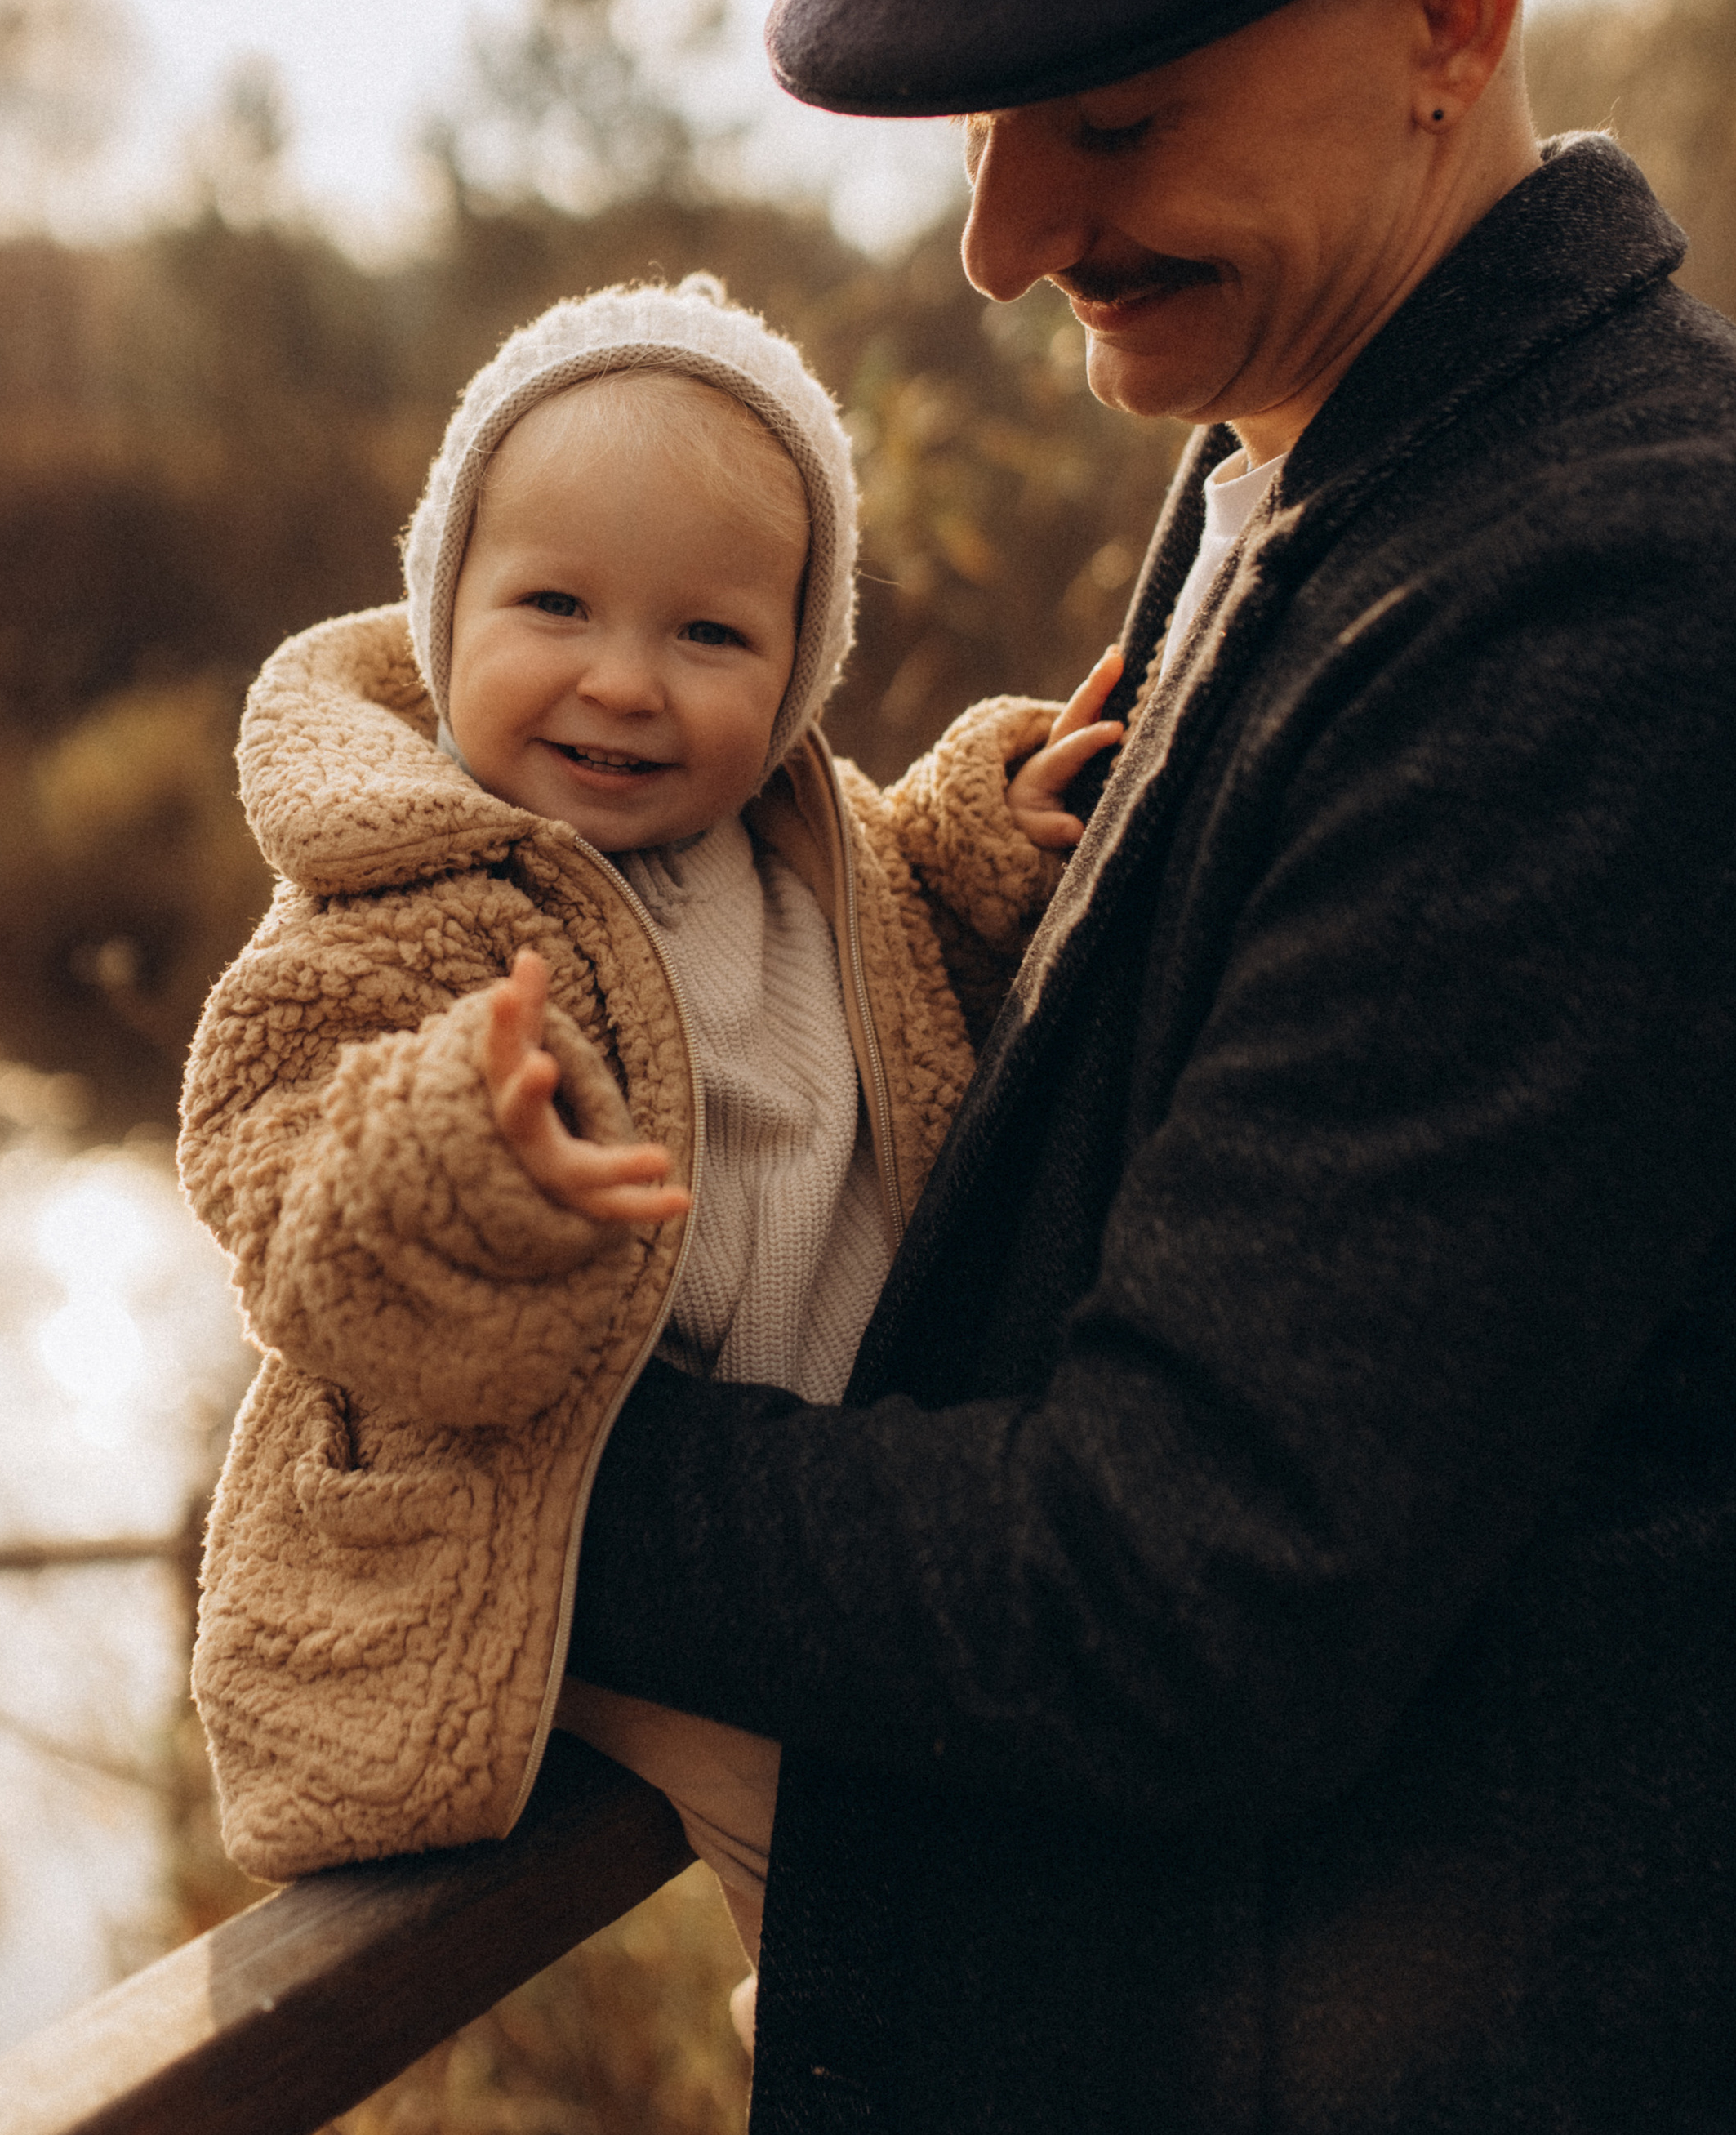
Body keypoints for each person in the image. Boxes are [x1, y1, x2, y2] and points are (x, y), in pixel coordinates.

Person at [558, 0, 1736, 2135]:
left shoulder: (1611, 596)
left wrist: (525, 1485)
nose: (995, 241)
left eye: (1102, 118)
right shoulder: (1297, 446)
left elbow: (1180, 1580)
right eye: (985, 130)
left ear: (1449, 19)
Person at [178, 277, 1119, 1995]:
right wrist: (460, 1163)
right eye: (555, 605)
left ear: (798, 669)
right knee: (853, 1851)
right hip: (564, 1535)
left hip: (828, 1508)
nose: (623, 683)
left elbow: (915, 943)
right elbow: (282, 1179)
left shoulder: (804, 843)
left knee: (1006, 1798)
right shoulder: (403, 895)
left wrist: (992, 841)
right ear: (442, 603)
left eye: (708, 636)